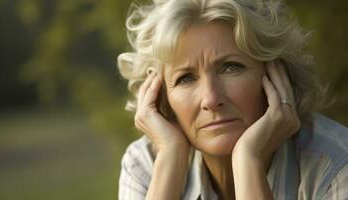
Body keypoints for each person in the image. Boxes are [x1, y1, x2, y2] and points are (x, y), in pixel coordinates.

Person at [117, 0, 348, 199]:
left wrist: (249, 159)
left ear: (276, 74)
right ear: (160, 96)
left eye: (230, 67)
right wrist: (169, 161)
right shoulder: (144, 164)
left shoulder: (337, 165)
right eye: (185, 78)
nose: (211, 98)